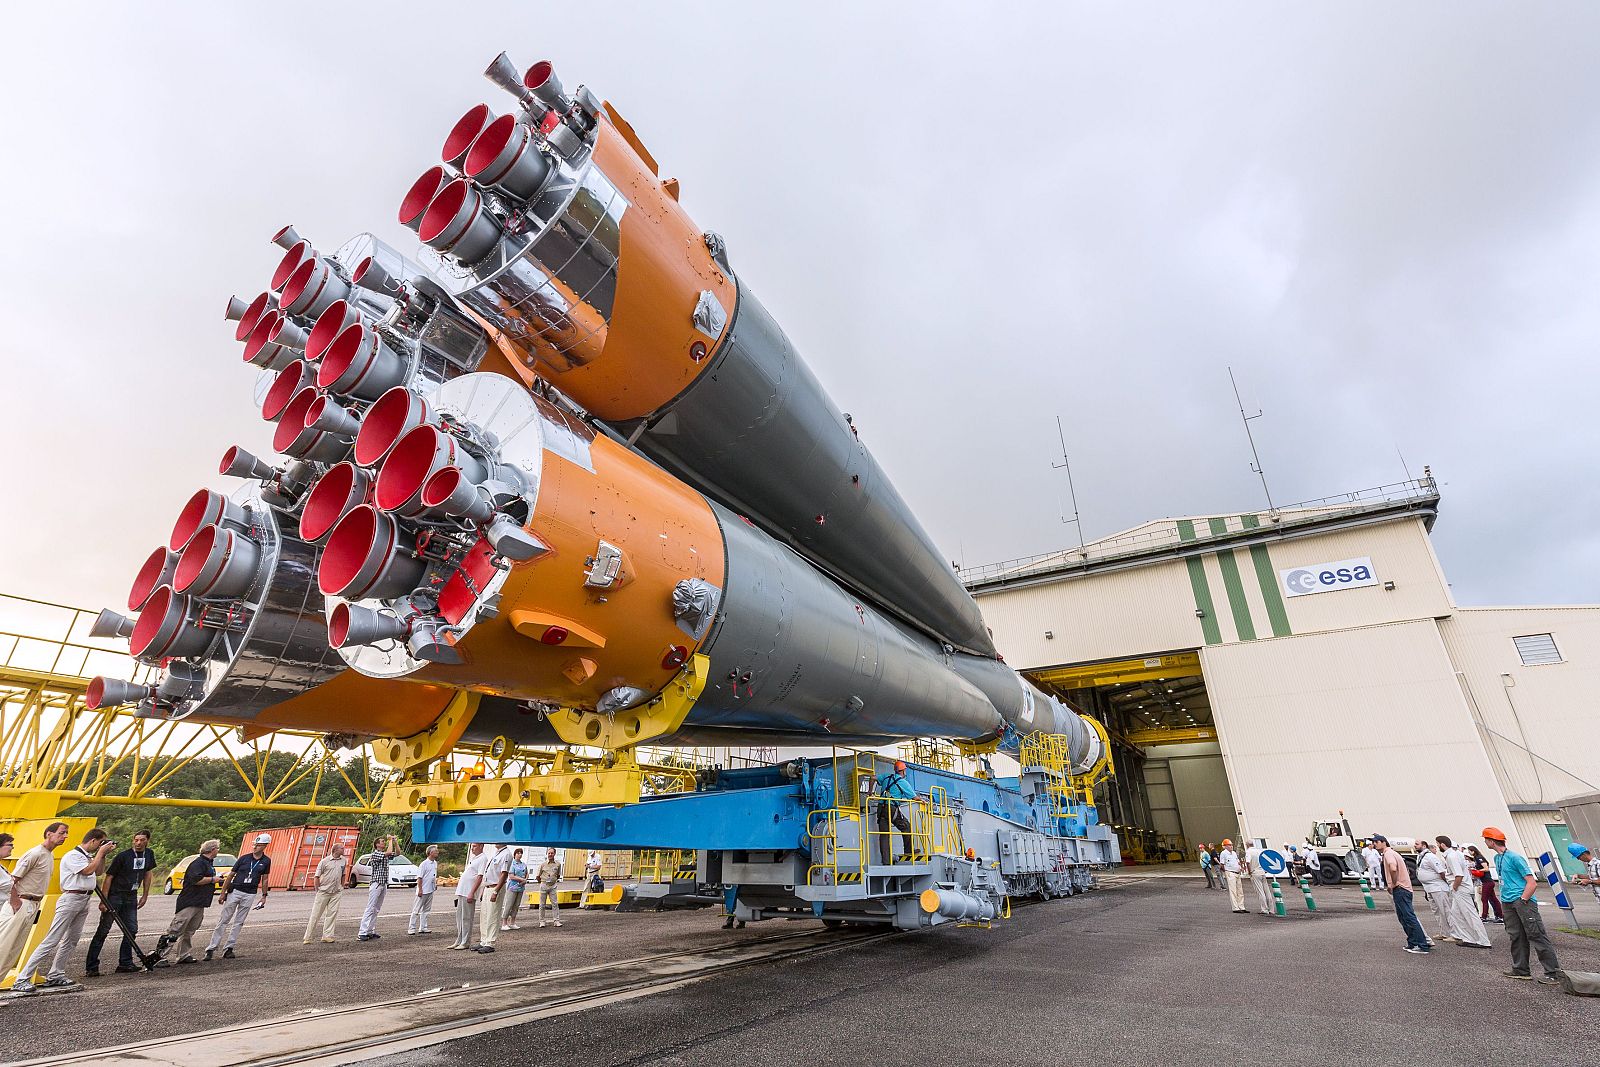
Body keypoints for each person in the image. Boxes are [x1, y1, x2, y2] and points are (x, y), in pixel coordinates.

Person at [10, 827, 117, 992]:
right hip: (71, 898)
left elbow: (98, 871)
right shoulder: (73, 855)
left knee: (72, 939)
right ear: (93, 841)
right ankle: (22, 978)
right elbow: (87, 871)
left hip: (84, 899)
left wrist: (102, 855)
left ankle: (56, 974)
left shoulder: (88, 856)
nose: (100, 846)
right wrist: (100, 853)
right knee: (52, 939)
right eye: (100, 843)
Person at [1483, 826, 1562, 984]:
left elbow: (1531, 882)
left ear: (1491, 841)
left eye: (1486, 839)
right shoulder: (1497, 858)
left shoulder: (1515, 858)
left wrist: (1523, 899)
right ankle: (1521, 970)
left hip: (1522, 901)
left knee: (1536, 935)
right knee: (1516, 935)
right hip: (1508, 902)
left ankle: (1553, 973)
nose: (1485, 842)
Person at [0, 822, 70, 979]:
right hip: (22, 902)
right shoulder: (35, 854)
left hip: (33, 903)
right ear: (49, 834)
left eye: (66, 833)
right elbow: (13, 880)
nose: (65, 836)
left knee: (14, 951)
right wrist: (15, 902)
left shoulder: (49, 855)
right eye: (62, 833)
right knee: (4, 946)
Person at [84, 828, 156, 976]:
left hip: (131, 895)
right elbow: (108, 877)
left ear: (147, 841)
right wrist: (104, 900)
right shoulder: (123, 856)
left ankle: (125, 962)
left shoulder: (149, 854)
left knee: (131, 929)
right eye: (136, 840)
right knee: (103, 930)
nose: (138, 843)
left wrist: (145, 895)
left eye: (142, 840)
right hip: (116, 895)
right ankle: (92, 966)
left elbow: (148, 873)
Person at [205, 833, 273, 960]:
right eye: (255, 845)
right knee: (224, 919)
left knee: (239, 922)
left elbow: (265, 879)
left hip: (250, 893)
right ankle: (211, 948)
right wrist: (223, 893)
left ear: (264, 846)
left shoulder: (266, 861)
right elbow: (230, 875)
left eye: (258, 845)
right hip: (235, 891)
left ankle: (229, 948)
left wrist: (264, 896)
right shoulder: (243, 858)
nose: (255, 847)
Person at [154, 840, 220, 966]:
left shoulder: (208, 863)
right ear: (212, 849)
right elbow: (196, 879)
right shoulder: (198, 863)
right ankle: (159, 957)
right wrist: (213, 879)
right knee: (175, 929)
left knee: (189, 930)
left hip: (200, 902)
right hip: (189, 901)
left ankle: (183, 955)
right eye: (217, 848)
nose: (218, 851)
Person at [1372, 834, 1430, 954]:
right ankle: (1413, 942)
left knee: (1408, 917)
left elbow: (1393, 868)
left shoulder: (1388, 854)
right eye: (1374, 842)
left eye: (1377, 842)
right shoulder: (1391, 853)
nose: (1374, 844)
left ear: (1384, 842)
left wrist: (1393, 883)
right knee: (1404, 917)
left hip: (1400, 889)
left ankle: (1422, 945)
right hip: (1403, 888)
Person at [1437, 836, 1491, 948]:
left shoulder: (1451, 856)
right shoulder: (1455, 855)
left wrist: (1455, 887)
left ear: (1442, 844)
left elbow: (1459, 875)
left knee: (1469, 914)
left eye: (1438, 844)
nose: (1437, 846)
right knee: (1456, 914)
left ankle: (1483, 941)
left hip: (1460, 888)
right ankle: (1468, 938)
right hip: (1461, 887)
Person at [354, 835, 399, 942]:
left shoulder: (383, 854)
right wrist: (390, 841)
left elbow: (397, 853)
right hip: (376, 883)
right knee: (370, 908)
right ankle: (362, 932)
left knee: (376, 908)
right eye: (382, 841)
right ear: (377, 844)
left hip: (383, 883)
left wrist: (395, 842)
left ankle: (370, 930)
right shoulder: (375, 854)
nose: (384, 843)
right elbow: (389, 852)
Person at [303, 842, 345, 944]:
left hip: (336, 892)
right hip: (324, 891)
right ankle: (308, 937)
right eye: (342, 848)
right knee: (316, 914)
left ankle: (327, 936)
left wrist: (342, 886)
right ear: (335, 850)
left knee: (332, 914)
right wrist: (318, 889)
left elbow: (343, 874)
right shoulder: (324, 861)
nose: (343, 850)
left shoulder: (343, 860)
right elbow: (317, 876)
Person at [450, 843, 487, 951]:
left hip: (468, 892)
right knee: (460, 917)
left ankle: (465, 941)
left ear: (481, 846)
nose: (472, 848)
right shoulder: (474, 858)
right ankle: (459, 940)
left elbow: (479, 877)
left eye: (474, 846)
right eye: (472, 846)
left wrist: (472, 892)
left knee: (466, 917)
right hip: (462, 891)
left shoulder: (483, 858)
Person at [877, 761, 917, 860]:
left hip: (880, 808)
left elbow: (872, 778)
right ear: (903, 771)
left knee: (884, 834)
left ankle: (886, 860)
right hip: (891, 808)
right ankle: (908, 851)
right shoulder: (902, 782)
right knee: (906, 826)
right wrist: (924, 801)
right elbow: (914, 798)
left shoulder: (886, 777)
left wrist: (870, 791)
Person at [1414, 838, 1451, 944]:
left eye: (1417, 844)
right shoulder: (1420, 857)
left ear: (1424, 846)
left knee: (1445, 910)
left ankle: (1453, 933)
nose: (1415, 846)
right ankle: (1444, 932)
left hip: (1438, 887)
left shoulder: (1430, 857)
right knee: (1437, 911)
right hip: (1429, 887)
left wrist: (1448, 884)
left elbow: (1441, 872)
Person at [1466, 844, 1504, 923]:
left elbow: (1486, 868)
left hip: (1487, 882)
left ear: (1473, 851)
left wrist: (1477, 871)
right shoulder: (1476, 858)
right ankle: (1500, 915)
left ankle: (1484, 916)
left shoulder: (1479, 858)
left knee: (1484, 899)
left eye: (1469, 851)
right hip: (1486, 881)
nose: (1469, 853)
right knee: (1493, 899)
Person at [409, 844, 439, 935]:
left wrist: (435, 884)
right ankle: (411, 928)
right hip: (423, 890)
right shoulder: (424, 864)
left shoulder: (435, 863)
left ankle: (423, 927)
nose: (437, 852)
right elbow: (419, 878)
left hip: (430, 889)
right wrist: (420, 889)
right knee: (416, 909)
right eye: (436, 851)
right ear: (430, 852)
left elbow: (433, 875)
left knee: (426, 910)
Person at [500, 848, 528, 932]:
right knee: (509, 904)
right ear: (515, 854)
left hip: (521, 887)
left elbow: (526, 873)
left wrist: (525, 879)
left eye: (521, 853)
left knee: (516, 905)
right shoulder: (512, 864)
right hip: (512, 887)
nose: (520, 854)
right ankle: (504, 923)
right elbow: (511, 876)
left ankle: (512, 922)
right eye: (518, 853)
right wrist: (521, 879)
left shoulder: (523, 864)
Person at [534, 848, 563, 929]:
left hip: (553, 886)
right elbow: (537, 876)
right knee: (542, 904)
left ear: (554, 854)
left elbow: (558, 875)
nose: (550, 855)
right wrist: (542, 882)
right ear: (547, 854)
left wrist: (553, 880)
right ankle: (542, 921)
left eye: (552, 853)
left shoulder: (558, 864)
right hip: (544, 884)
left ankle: (556, 921)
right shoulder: (543, 864)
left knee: (555, 903)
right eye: (549, 853)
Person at [1244, 840, 1273, 915]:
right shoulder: (1259, 851)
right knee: (1267, 891)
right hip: (1262, 872)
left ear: (1247, 845)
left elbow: (1247, 862)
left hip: (1255, 872)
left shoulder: (1249, 852)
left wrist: (1249, 871)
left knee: (1260, 891)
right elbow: (1264, 861)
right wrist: (1265, 870)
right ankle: (1271, 909)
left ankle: (1264, 909)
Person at [1217, 839, 1245, 913]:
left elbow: (1237, 862)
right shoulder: (1223, 853)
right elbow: (1222, 864)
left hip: (1237, 872)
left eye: (1231, 845)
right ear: (1225, 846)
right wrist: (1226, 871)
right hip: (1230, 873)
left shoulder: (1234, 853)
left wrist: (1240, 868)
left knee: (1240, 891)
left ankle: (1241, 906)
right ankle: (1235, 908)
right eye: (1229, 845)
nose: (1231, 846)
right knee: (1233, 891)